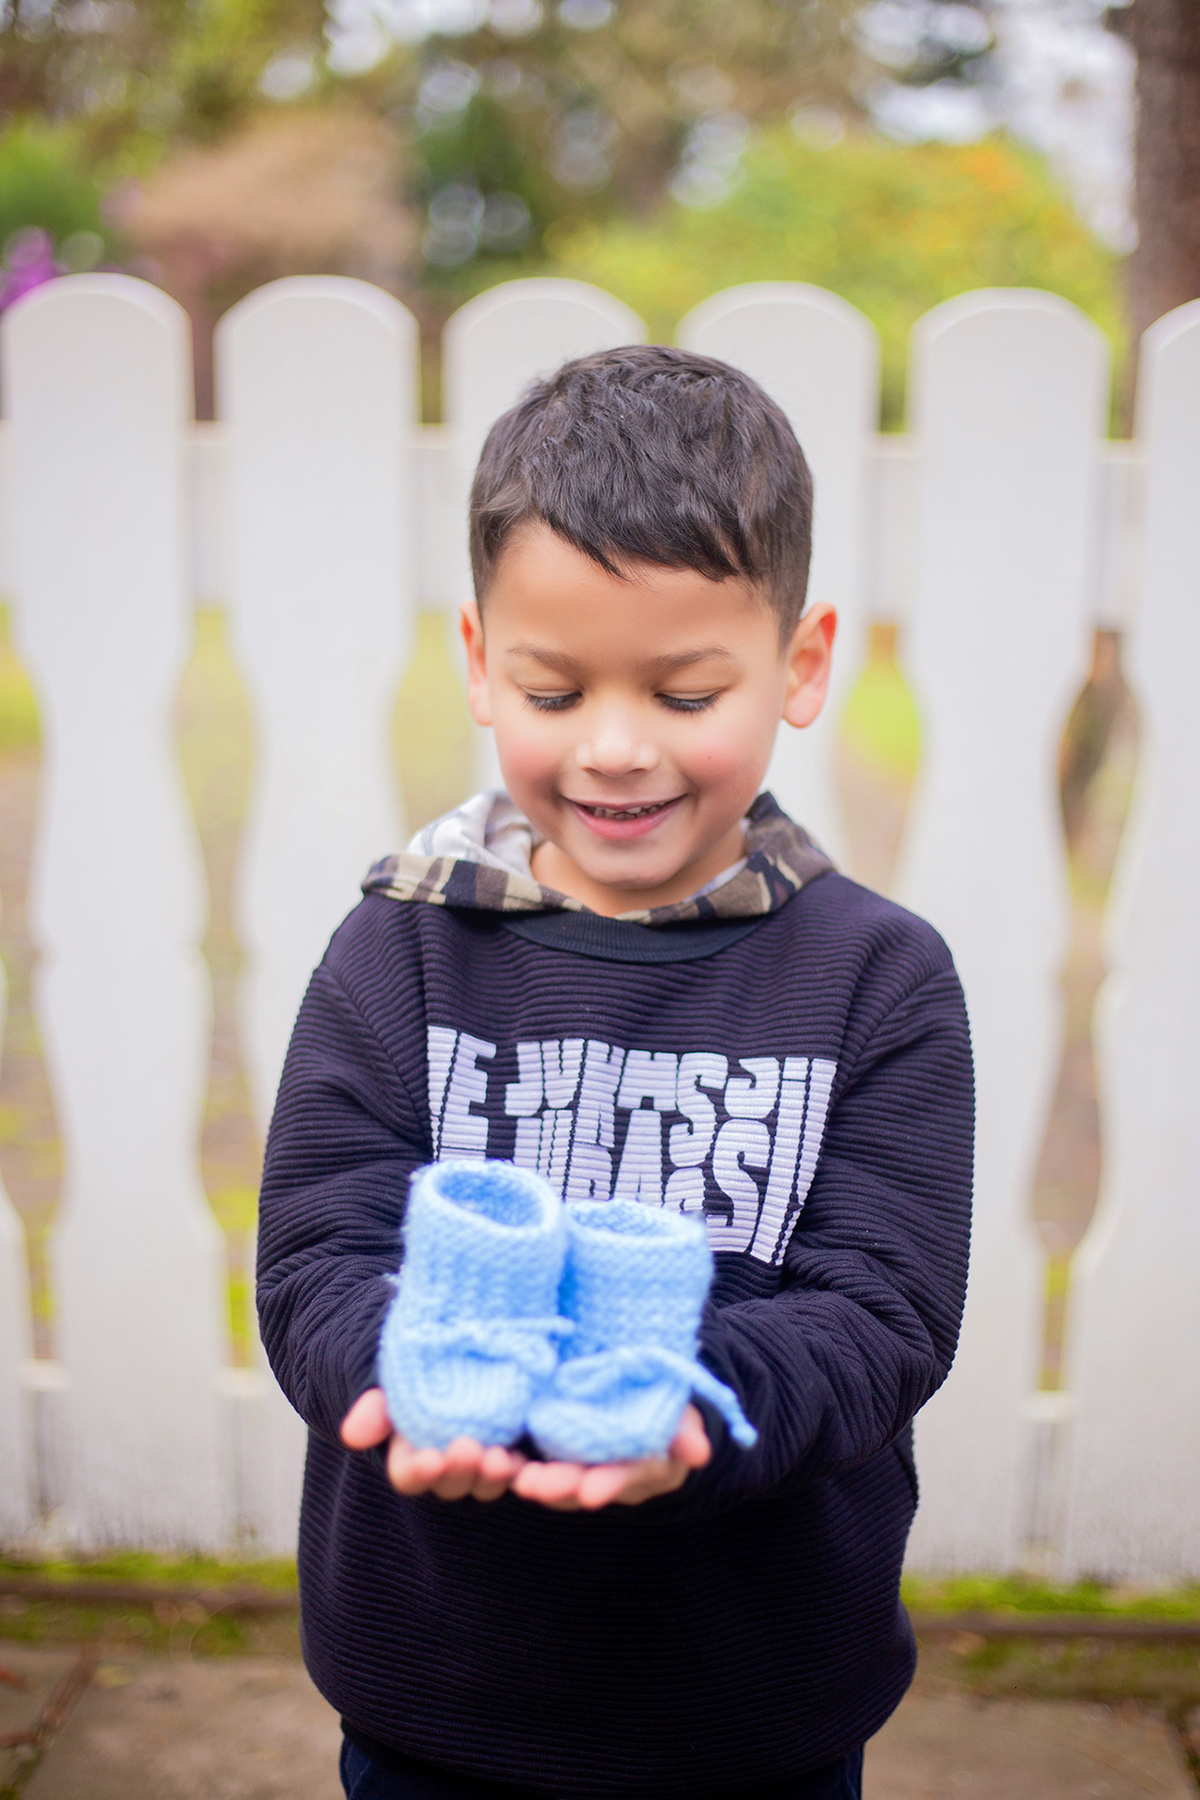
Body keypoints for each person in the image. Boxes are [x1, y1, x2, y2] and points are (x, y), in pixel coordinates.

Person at [256, 345, 974, 1800]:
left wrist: (683, 1407)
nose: (619, 749)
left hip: (752, 1700)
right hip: (435, 1685)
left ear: (803, 663)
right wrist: (400, 1376)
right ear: (477, 662)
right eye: (556, 687)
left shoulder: (879, 981)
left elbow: (883, 1314)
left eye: (688, 688)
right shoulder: (399, 950)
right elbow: (318, 1252)